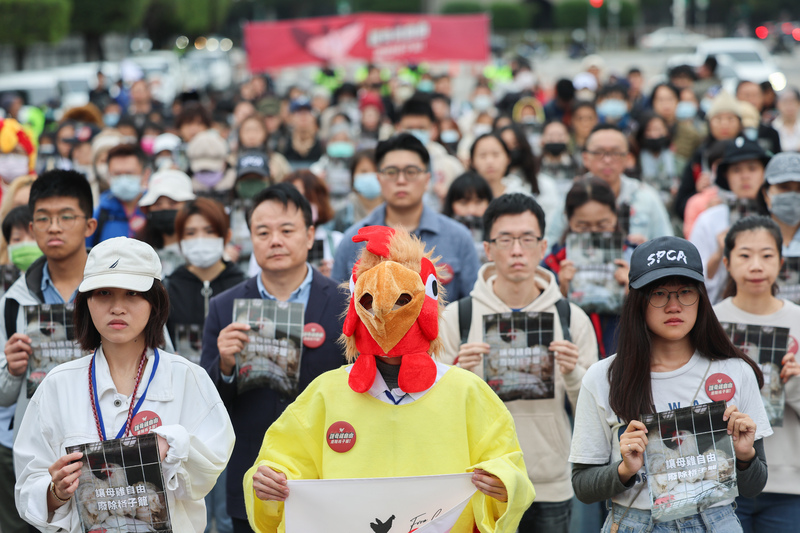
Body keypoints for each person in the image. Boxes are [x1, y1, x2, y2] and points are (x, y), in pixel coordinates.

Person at [244, 225, 535, 532]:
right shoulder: (326, 392)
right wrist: (268, 482)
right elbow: (282, 464)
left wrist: (504, 486)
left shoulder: (466, 391)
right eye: (369, 302)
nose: (385, 314)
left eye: (401, 301)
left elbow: (509, 466)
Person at [13, 237, 235, 531]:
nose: (117, 307)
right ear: (86, 302)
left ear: (155, 301)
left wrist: (174, 445)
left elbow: (207, 471)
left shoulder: (187, 377)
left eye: (133, 293)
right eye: (103, 293)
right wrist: (55, 492)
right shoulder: (58, 384)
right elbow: (28, 485)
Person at [569, 235, 771, 533]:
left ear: (701, 297)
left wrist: (744, 456)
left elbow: (754, 485)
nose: (674, 305)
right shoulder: (603, 377)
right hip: (636, 522)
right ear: (638, 300)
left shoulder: (736, 371)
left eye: (686, 292)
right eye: (659, 293)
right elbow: (583, 487)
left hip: (716, 521)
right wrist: (625, 469)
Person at [439, 193, 598, 533]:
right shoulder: (457, 318)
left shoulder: (570, 318)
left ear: (542, 247)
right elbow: (431, 409)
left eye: (527, 239)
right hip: (478, 480)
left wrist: (572, 373)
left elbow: (595, 414)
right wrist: (455, 374)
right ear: (487, 248)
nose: (516, 250)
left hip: (550, 479)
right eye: (505, 239)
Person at [200, 183, 347, 533]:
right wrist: (224, 365)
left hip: (329, 472)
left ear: (310, 235)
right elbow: (206, 402)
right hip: (254, 476)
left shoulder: (345, 303)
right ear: (250, 238)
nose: (275, 241)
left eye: (287, 230)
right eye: (263, 232)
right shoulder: (224, 307)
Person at [714, 216, 800, 532]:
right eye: (745, 255)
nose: (756, 265)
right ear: (727, 261)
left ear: (780, 261)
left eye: (766, 255)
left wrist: (795, 384)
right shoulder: (709, 323)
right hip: (722, 482)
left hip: (788, 482)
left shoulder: (797, 320)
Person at [0, 170, 98, 441]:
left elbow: (162, 365)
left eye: (66, 216)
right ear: (32, 228)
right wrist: (11, 368)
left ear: (89, 226)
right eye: (43, 218)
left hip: (107, 438)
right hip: (39, 442)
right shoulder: (13, 301)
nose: (54, 227)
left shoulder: (119, 291)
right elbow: (3, 397)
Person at [332, 133, 480, 301]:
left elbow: (471, 306)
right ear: (379, 178)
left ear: (427, 179)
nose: (401, 180)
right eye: (391, 172)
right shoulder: (354, 240)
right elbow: (337, 308)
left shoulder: (458, 238)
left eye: (411, 171)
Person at [543, 177, 630, 358]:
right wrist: (560, 291)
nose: (593, 232)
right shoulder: (552, 263)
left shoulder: (635, 258)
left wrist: (634, 291)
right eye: (582, 226)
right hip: (574, 359)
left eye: (602, 225)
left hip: (623, 356)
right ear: (569, 220)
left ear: (615, 216)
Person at [546, 125, 673, 245]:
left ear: (628, 159)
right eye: (599, 152)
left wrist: (646, 249)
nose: (607, 160)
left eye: (615, 153)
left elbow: (667, 243)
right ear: (585, 158)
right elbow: (550, 245)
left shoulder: (646, 197)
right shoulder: (572, 195)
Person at [690, 137, 770, 304]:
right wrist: (719, 254)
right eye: (736, 170)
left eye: (752, 168)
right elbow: (692, 278)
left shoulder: (777, 215)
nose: (745, 176)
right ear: (726, 176)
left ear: (764, 172)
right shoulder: (709, 219)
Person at [138, 169, 197, 277]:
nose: (165, 208)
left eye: (173, 203)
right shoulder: (139, 251)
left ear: (188, 206)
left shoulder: (201, 251)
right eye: (157, 204)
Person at [89, 144, 149, 246]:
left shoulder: (154, 210)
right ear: (108, 176)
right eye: (117, 174)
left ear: (145, 174)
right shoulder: (97, 217)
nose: (123, 180)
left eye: (129, 173)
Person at [329, 149, 383, 233]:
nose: (371, 176)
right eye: (364, 172)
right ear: (353, 176)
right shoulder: (341, 215)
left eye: (376, 171)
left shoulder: (397, 212)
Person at [757, 152, 800, 255]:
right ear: (765, 194)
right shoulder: (749, 239)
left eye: (799, 189)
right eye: (784, 187)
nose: (793, 195)